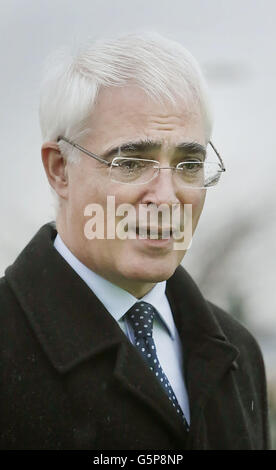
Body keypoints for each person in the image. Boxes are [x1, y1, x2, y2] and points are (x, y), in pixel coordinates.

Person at [0, 32, 271, 450]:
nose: (166, 197)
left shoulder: (238, 350)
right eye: (130, 162)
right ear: (59, 169)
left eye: (189, 163)